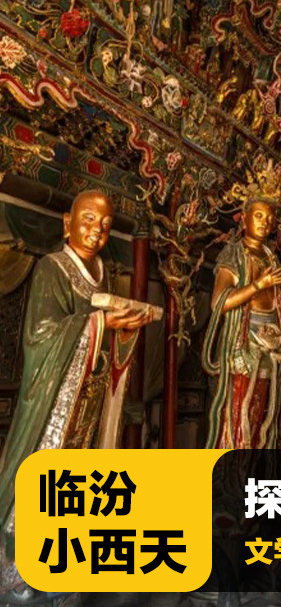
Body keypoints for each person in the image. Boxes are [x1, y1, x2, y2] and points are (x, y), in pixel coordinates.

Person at [0, 190, 157, 578]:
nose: (96, 231)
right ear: (67, 223)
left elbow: (105, 337)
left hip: (90, 400)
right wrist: (101, 322)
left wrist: (123, 328)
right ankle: (21, 565)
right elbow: (40, 334)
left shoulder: (103, 274)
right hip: (55, 401)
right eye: (88, 220)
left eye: (105, 225)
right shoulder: (52, 268)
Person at [202, 175, 281, 449]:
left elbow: (280, 308)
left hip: (270, 347)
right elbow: (219, 302)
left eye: (270, 218)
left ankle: (250, 468)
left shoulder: (270, 257)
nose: (265, 222)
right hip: (242, 345)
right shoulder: (234, 254)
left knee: (260, 418)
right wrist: (257, 285)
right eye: (259, 216)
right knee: (236, 418)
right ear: (244, 218)